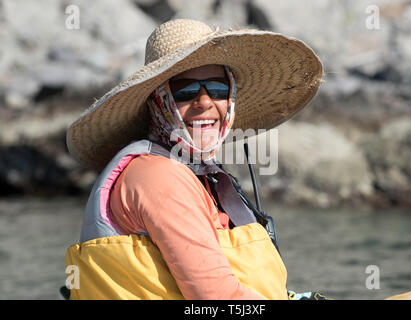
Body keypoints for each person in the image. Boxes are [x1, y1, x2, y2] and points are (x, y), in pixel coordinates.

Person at [63, 18, 324, 300]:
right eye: (185, 91)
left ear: (231, 98)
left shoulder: (195, 175)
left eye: (218, 89)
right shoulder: (160, 176)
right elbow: (217, 298)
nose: (204, 103)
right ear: (159, 102)